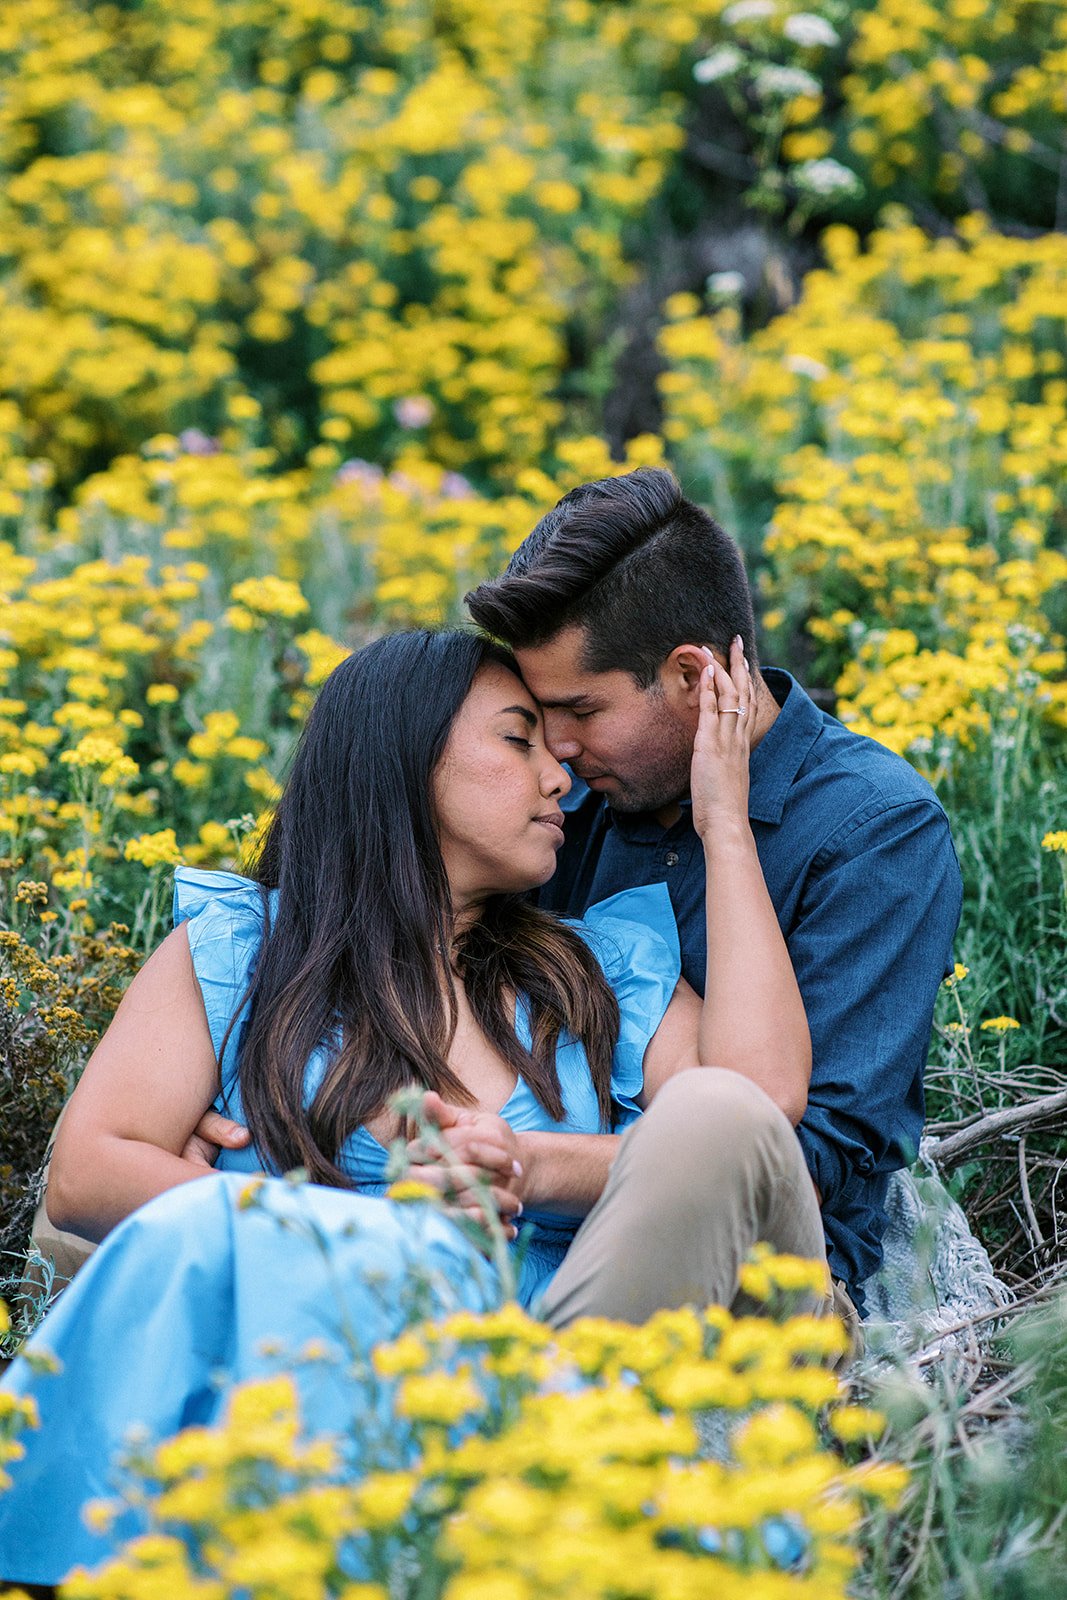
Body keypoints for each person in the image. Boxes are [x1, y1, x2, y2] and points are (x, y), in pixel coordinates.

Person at [1, 627, 824, 1587]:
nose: (558, 776)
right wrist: (359, 1229)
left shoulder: (596, 970)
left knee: (711, 1111)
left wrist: (723, 823)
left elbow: (752, 1119)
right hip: (337, 1395)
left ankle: (541, 1489)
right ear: (401, 760)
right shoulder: (244, 952)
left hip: (573, 1376)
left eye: (555, 750)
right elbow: (90, 1166)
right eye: (517, 741)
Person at [463, 467, 964, 1318]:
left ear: (693, 676)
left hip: (756, 1278)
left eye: (579, 709)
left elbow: (800, 1160)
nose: (557, 747)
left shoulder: (874, 830)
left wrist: (524, 1161)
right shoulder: (564, 797)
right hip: (530, 1231)